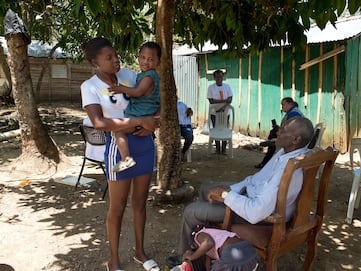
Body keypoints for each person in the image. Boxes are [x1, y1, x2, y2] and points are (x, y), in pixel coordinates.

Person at [167, 117, 314, 266]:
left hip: (259, 216)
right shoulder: (287, 153)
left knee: (191, 212)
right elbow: (257, 179)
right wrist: (232, 190)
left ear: (296, 139)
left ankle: (187, 258)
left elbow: (256, 211)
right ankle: (204, 248)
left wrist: (225, 195)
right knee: (207, 187)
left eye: (284, 130)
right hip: (253, 198)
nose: (279, 131)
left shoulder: (287, 169)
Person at [81, 37, 160, 271]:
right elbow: (99, 122)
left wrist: (154, 121)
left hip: (144, 144)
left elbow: (152, 97)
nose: (116, 60)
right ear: (95, 62)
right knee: (118, 206)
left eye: (116, 55)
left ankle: (140, 252)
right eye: (109, 58)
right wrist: (139, 121)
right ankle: (114, 260)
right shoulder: (90, 86)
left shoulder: (128, 75)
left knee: (140, 203)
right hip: (119, 149)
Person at [108, 41, 161, 172]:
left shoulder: (150, 76)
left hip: (140, 116)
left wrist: (121, 89)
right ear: (138, 57)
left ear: (157, 62)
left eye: (150, 59)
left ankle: (126, 158)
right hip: (145, 116)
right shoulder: (143, 75)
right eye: (142, 57)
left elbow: (138, 92)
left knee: (118, 130)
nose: (145, 62)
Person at [178, 226, 259, 271]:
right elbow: (208, 263)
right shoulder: (216, 233)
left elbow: (208, 243)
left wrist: (192, 256)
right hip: (250, 253)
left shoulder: (198, 235)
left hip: (233, 254)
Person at [254, 97, 303, 169]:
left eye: (283, 104)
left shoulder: (294, 114)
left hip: (295, 139)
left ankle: (267, 159)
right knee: (273, 132)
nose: (282, 107)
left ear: (289, 104)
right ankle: (267, 159)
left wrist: (278, 138)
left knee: (273, 135)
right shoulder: (291, 112)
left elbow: (291, 131)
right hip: (293, 136)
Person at [207, 69, 233, 155]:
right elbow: (211, 101)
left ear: (223, 77)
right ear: (214, 78)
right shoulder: (211, 88)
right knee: (216, 129)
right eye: (217, 76)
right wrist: (224, 102)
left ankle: (224, 149)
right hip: (214, 113)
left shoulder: (227, 87)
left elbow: (230, 99)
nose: (219, 78)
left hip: (226, 113)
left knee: (225, 129)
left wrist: (223, 105)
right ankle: (217, 149)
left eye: (221, 76)